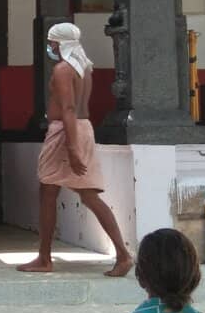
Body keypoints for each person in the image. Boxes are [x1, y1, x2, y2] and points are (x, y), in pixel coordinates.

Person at [17, 22, 133, 278]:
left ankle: (46, 258)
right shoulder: (85, 68)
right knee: (74, 193)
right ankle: (121, 255)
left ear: (60, 44)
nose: (50, 47)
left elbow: (68, 109)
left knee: (54, 191)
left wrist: (71, 147)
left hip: (65, 132)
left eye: (52, 43)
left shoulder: (62, 69)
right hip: (83, 128)